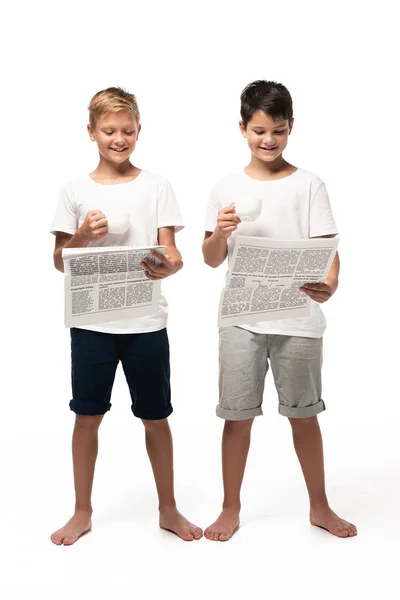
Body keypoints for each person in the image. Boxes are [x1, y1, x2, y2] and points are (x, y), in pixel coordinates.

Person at [202, 80, 357, 541]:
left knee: (304, 415)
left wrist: (331, 282)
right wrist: (220, 231)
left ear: (292, 128)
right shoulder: (225, 188)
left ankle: (320, 506)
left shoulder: (310, 184)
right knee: (237, 416)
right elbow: (211, 259)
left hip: (298, 320)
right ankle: (230, 508)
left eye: (279, 130)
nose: (268, 140)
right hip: (240, 320)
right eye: (259, 130)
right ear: (242, 128)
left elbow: (327, 248)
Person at [50, 87, 202, 545]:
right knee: (86, 417)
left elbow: (174, 255)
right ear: (92, 132)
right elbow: (59, 259)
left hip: (146, 324)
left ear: (139, 131)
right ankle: (81, 511)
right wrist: (80, 235)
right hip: (91, 325)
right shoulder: (73, 191)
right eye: (109, 131)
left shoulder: (157, 186)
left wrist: (168, 265)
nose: (119, 139)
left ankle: (169, 509)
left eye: (127, 130)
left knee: (156, 417)